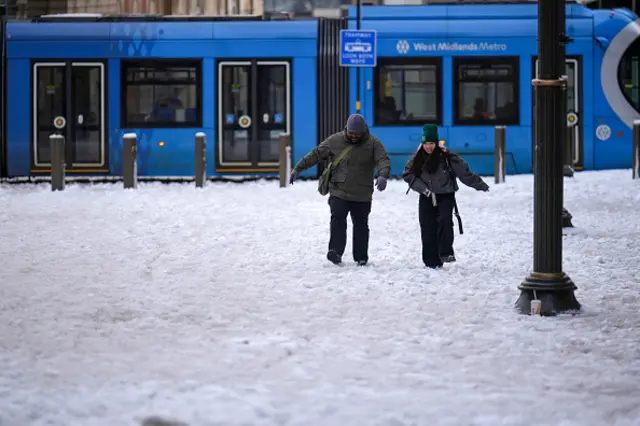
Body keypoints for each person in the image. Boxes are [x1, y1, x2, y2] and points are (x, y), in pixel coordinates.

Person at [289, 113, 391, 266]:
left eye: (358, 134)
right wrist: (298, 168)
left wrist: (383, 175)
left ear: (363, 131)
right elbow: (316, 154)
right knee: (337, 219)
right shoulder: (335, 140)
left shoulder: (373, 143)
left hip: (362, 193)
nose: (354, 136)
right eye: (351, 133)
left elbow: (383, 159)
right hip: (339, 190)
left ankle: (361, 256)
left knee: (361, 225)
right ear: (346, 130)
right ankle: (335, 252)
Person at [402, 124, 489, 269]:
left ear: (436, 143)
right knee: (427, 226)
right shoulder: (417, 157)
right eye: (425, 144)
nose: (428, 147)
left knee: (445, 221)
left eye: (431, 143)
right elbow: (407, 174)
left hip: (445, 195)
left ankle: (445, 253)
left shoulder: (446, 156)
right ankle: (431, 261)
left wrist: (479, 184)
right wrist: (424, 190)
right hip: (427, 196)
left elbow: (463, 172)